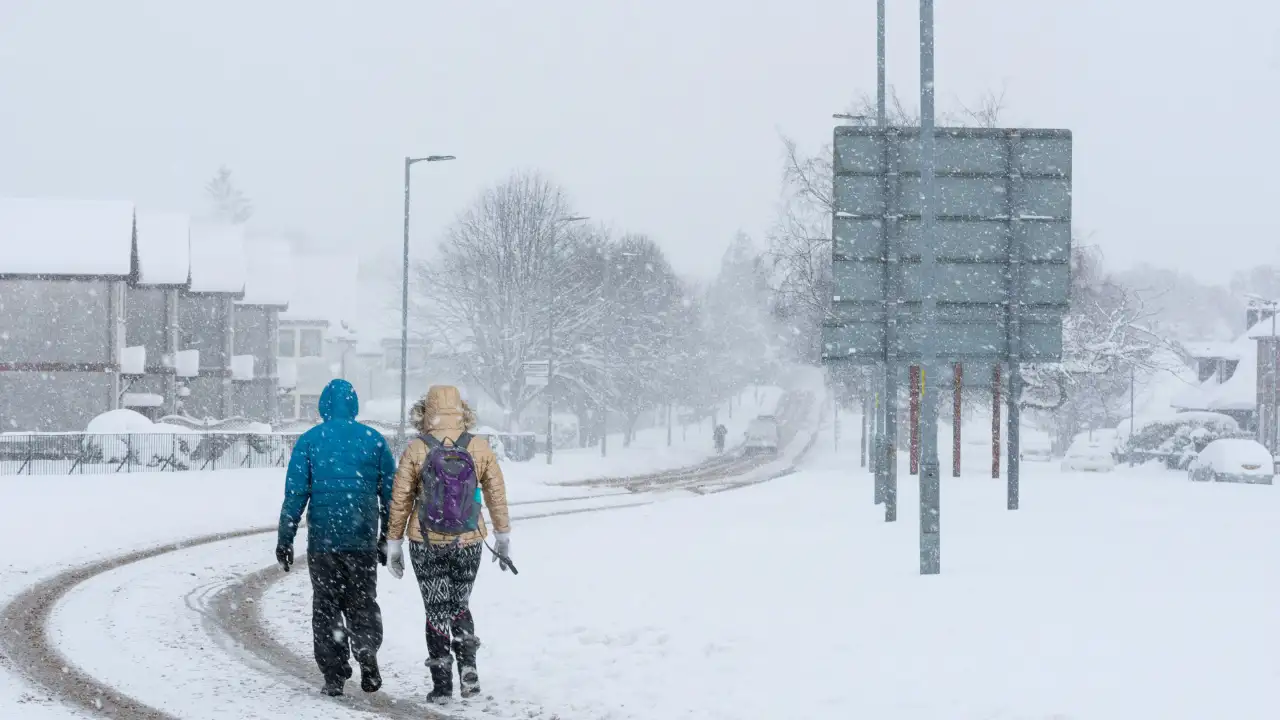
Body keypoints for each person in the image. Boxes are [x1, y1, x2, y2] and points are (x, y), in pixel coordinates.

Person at [385, 385, 512, 704]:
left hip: (425, 541)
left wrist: (394, 543)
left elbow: (400, 499)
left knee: (436, 609)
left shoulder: (417, 448)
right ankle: (468, 669)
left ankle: (442, 685)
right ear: (463, 410)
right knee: (459, 605)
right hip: (468, 540)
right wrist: (502, 536)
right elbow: (496, 495)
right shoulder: (478, 447)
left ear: (424, 411)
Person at [276, 379, 396, 698]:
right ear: (354, 405)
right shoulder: (373, 440)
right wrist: (387, 536)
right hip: (361, 538)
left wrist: (285, 538)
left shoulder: (310, 441)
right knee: (362, 601)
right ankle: (366, 648)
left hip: (324, 541)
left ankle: (334, 673)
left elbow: (295, 494)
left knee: (326, 606)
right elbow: (390, 495)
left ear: (323, 406)